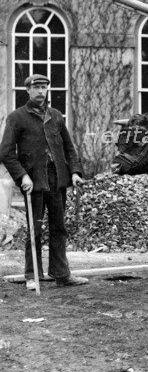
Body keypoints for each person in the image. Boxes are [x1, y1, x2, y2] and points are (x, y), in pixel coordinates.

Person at [0, 74, 88, 289]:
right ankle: (32, 276)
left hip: (57, 179)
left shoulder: (56, 116)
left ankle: (62, 274)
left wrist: (75, 172)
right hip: (34, 181)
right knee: (35, 230)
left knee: (59, 228)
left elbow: (69, 147)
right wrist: (22, 176)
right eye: (36, 87)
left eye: (44, 87)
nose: (41, 91)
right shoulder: (17, 117)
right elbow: (6, 153)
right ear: (28, 90)